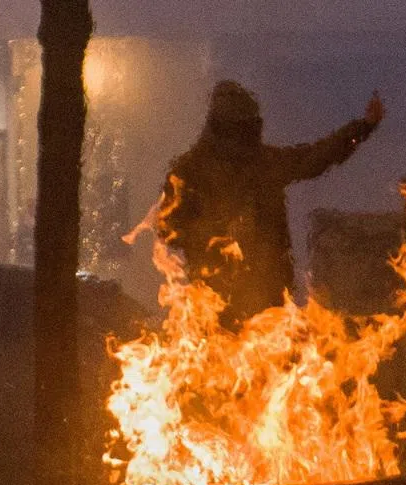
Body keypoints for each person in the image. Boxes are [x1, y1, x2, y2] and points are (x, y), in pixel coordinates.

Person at [157, 81, 385, 324]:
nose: (242, 137)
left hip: (268, 296)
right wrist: (217, 237)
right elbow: (168, 227)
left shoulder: (263, 163)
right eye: (237, 128)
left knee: (271, 352)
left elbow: (314, 157)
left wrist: (361, 128)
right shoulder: (190, 172)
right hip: (215, 300)